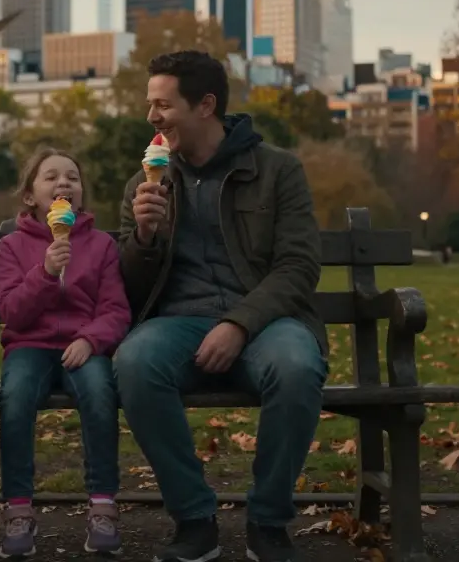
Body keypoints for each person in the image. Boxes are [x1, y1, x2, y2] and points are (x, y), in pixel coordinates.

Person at [113, 50, 326, 562]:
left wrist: (238, 323)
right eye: (150, 105)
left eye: (163, 105)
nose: (152, 118)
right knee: (134, 363)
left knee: (298, 366)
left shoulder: (277, 171)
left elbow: (298, 267)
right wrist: (142, 236)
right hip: (178, 324)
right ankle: (193, 519)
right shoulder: (145, 182)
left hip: (265, 322)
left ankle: (269, 522)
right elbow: (130, 291)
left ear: (205, 105)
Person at [0, 149, 132, 558]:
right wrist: (46, 273)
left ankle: (103, 504)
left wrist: (90, 339)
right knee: (14, 399)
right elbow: (10, 311)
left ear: (81, 195)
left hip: (82, 345)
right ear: (30, 196)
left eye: (72, 177)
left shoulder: (102, 245)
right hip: (28, 346)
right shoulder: (11, 247)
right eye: (51, 177)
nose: (63, 184)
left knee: (100, 393)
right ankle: (18, 509)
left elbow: (115, 309)